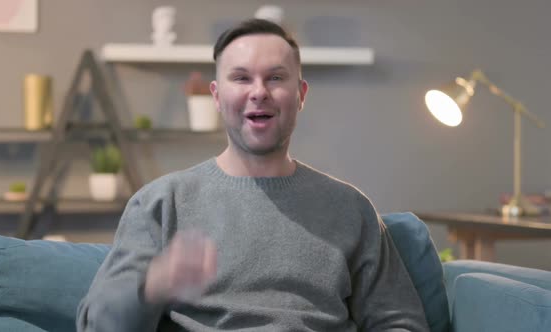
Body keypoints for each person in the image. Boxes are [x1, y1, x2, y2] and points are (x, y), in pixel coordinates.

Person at [77, 18, 429, 331]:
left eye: (275, 78)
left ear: (300, 94)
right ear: (216, 96)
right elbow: (97, 325)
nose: (258, 92)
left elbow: (398, 320)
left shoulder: (350, 208)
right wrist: (152, 286)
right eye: (241, 78)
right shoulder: (161, 203)